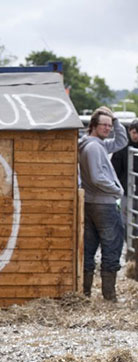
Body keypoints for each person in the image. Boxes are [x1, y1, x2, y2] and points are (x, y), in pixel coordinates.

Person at [78, 106, 128, 301]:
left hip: (91, 203)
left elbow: (122, 141)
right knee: (112, 246)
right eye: (104, 125)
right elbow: (98, 177)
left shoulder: (95, 144)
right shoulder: (93, 148)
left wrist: (115, 119)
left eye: (109, 125)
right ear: (93, 125)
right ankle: (109, 296)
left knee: (89, 248)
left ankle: (86, 293)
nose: (108, 128)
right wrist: (117, 190)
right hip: (104, 204)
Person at [110, 119, 138, 252]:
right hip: (126, 190)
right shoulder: (122, 147)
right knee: (124, 220)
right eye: (134, 132)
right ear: (129, 131)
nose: (136, 135)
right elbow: (114, 170)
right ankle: (130, 245)